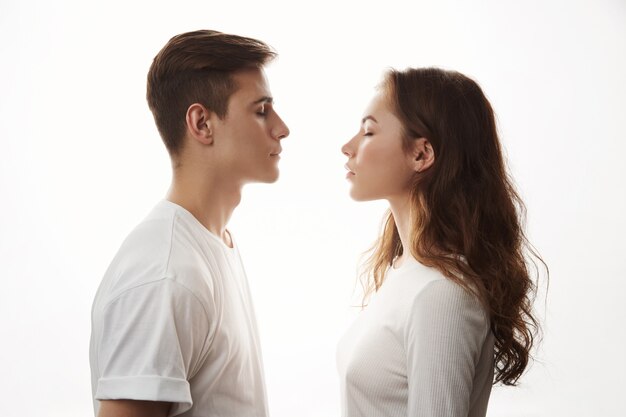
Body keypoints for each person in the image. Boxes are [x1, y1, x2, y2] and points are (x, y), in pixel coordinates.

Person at [89, 30, 289, 417]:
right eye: (261, 110)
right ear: (202, 123)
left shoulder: (210, 245)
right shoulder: (166, 271)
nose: (281, 127)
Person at [337, 67, 544, 417]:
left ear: (421, 154)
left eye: (369, 131)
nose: (348, 147)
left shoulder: (441, 294)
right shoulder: (405, 272)